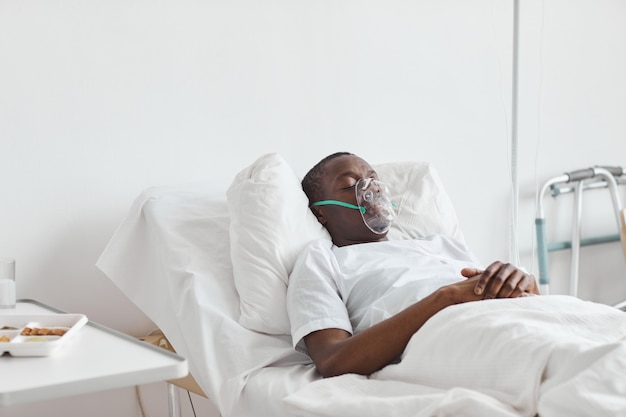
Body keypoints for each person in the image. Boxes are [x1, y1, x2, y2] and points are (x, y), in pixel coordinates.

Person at [286, 151, 540, 378]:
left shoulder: (441, 244)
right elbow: (332, 359)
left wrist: (523, 284)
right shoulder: (322, 259)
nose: (370, 189)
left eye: (374, 180)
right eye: (350, 184)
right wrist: (448, 297)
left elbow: (489, 293)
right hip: (459, 338)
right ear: (320, 212)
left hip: (520, 319)